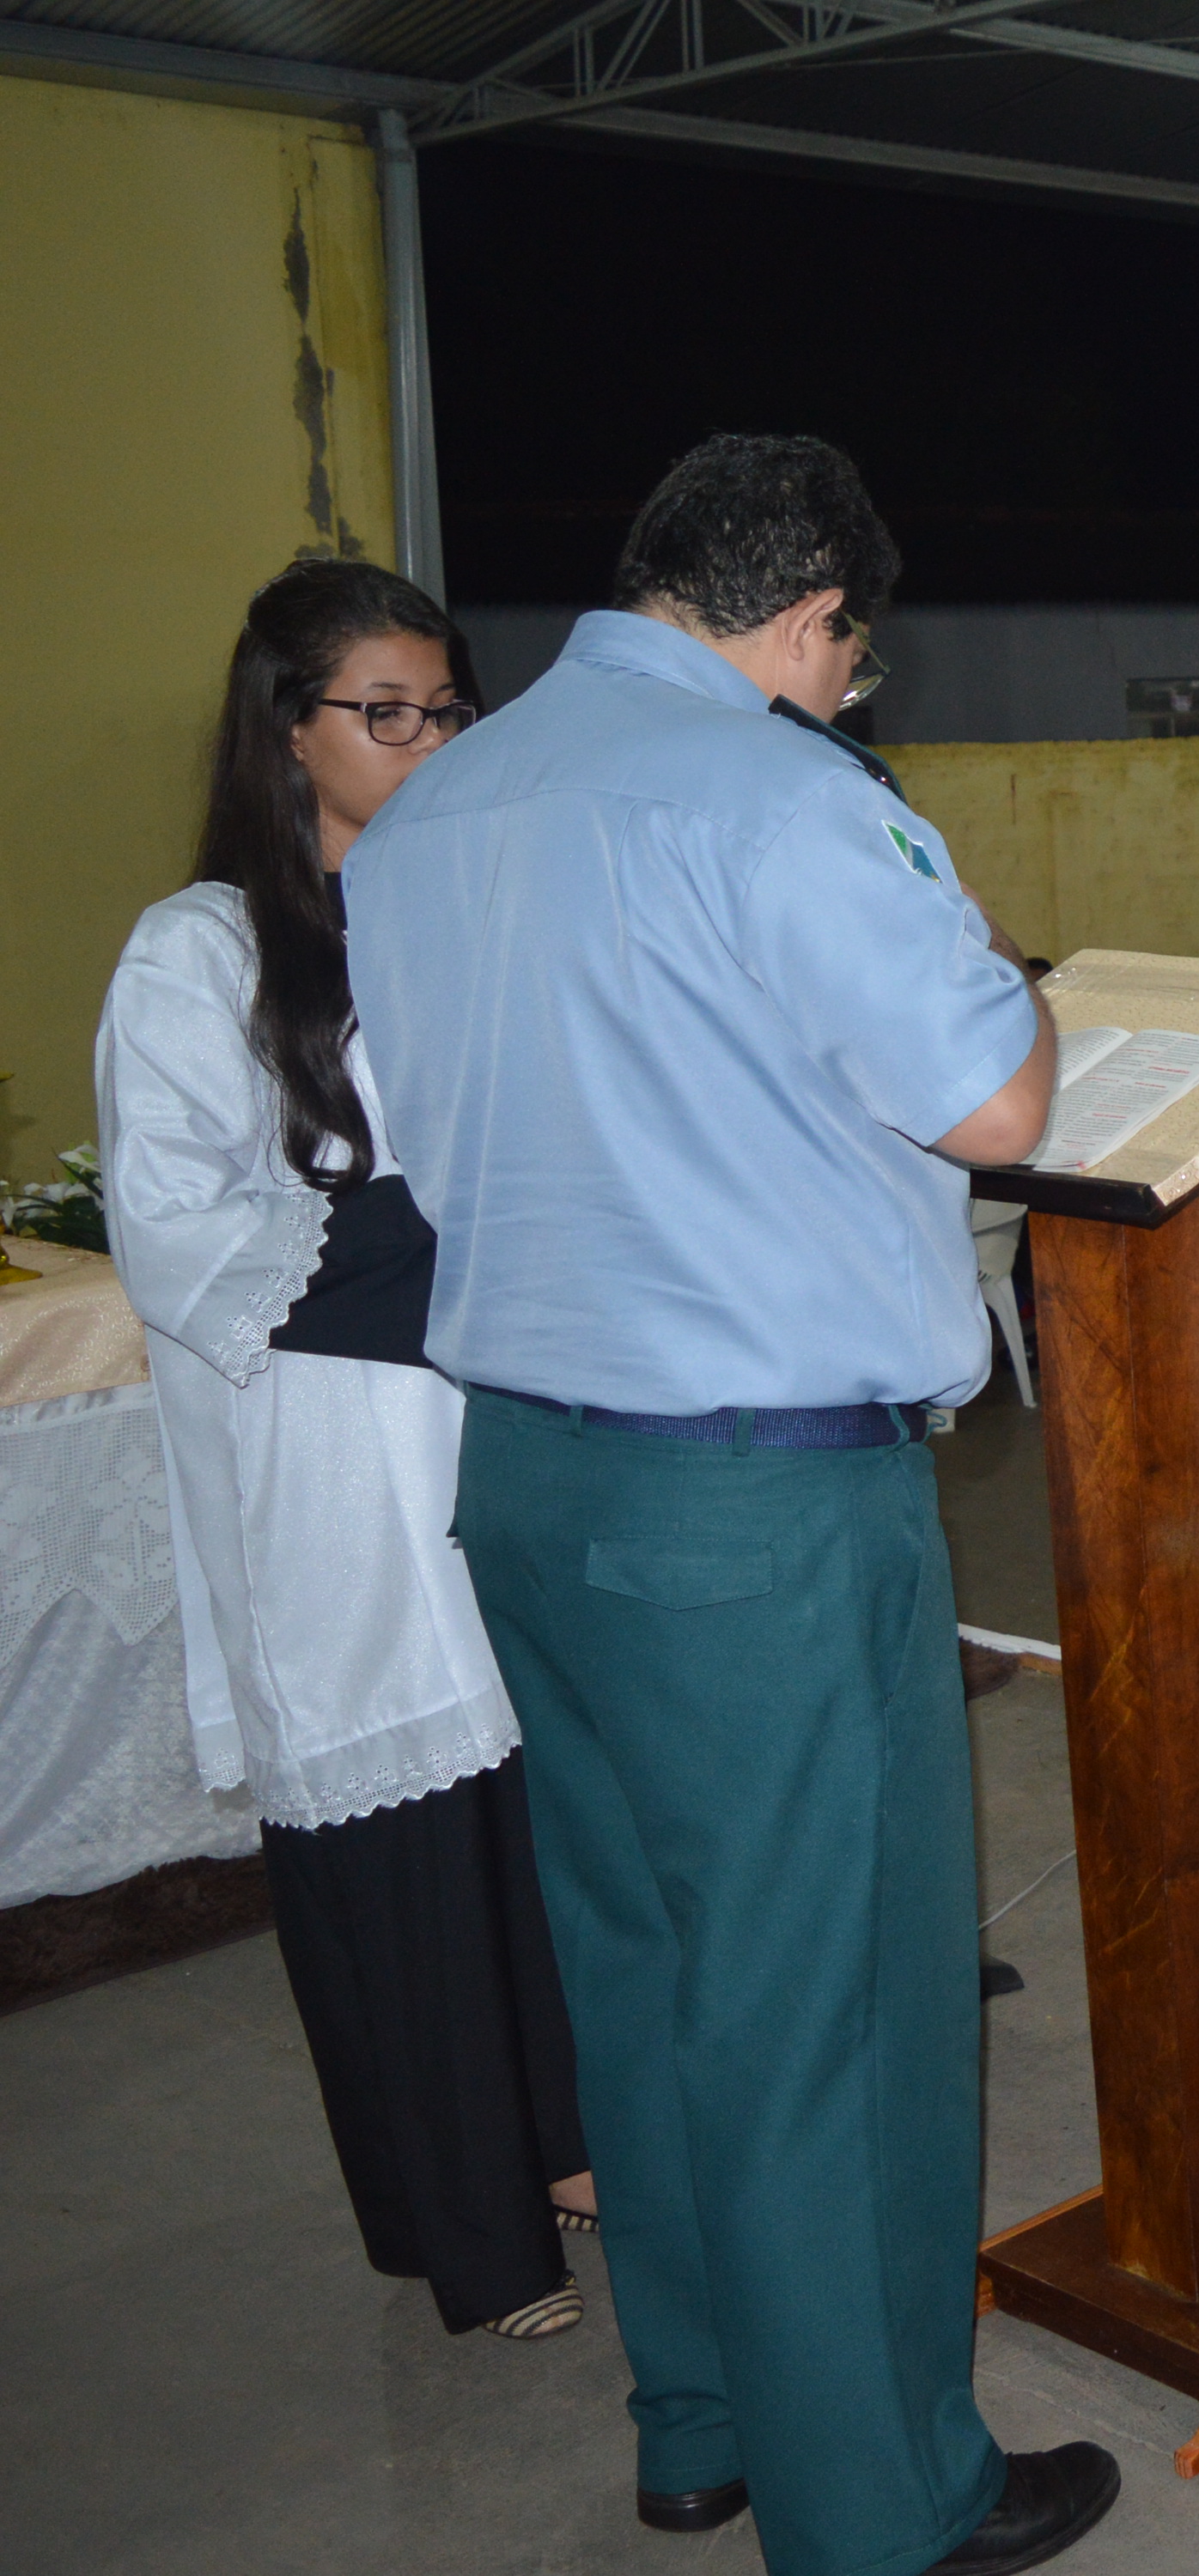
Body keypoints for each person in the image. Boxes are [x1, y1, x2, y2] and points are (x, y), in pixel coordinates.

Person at [345, 437, 1117, 2567]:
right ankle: (883, 2504)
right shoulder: (790, 800)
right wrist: (999, 960)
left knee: (642, 1971)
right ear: (812, 618)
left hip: (532, 1472)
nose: (852, 689)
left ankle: (695, 2414)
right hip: (755, 1512)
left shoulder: (439, 808)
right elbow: (996, 1101)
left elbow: (431, 1135)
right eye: (855, 657)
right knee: (828, 2016)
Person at [96, 559, 593, 2349]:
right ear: (285, 729)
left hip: (488, 1424)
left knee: (530, 1820)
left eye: (447, 711)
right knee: (404, 1857)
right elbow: (184, 1236)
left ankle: (570, 2148)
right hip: (326, 1466)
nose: (427, 743)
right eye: (386, 713)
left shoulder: (466, 916)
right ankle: (471, 2232)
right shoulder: (199, 954)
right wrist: (460, 1230)